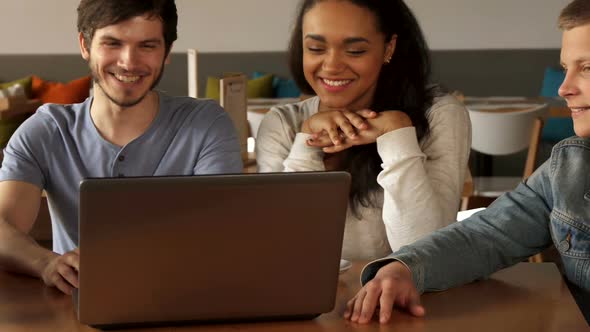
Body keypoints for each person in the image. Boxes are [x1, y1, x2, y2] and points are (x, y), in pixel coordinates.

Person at [344, 0, 590, 324]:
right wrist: (403, 268)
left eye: (587, 68)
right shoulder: (568, 170)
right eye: (565, 68)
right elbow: (484, 236)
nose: (564, 88)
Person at [0, 0, 242, 295]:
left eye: (147, 45)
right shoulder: (45, 131)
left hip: (183, 298)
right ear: (85, 46)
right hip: (76, 307)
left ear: (167, 52)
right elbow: (4, 226)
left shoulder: (208, 124)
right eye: (112, 43)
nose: (129, 62)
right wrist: (46, 263)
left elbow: (220, 233)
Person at [256, 0, 471, 261]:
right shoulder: (282, 124)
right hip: (310, 298)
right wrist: (306, 143)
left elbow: (424, 252)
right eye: (315, 48)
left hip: (407, 298)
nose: (332, 65)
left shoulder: (439, 114)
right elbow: (283, 248)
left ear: (388, 48)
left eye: (355, 51)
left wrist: (397, 134)